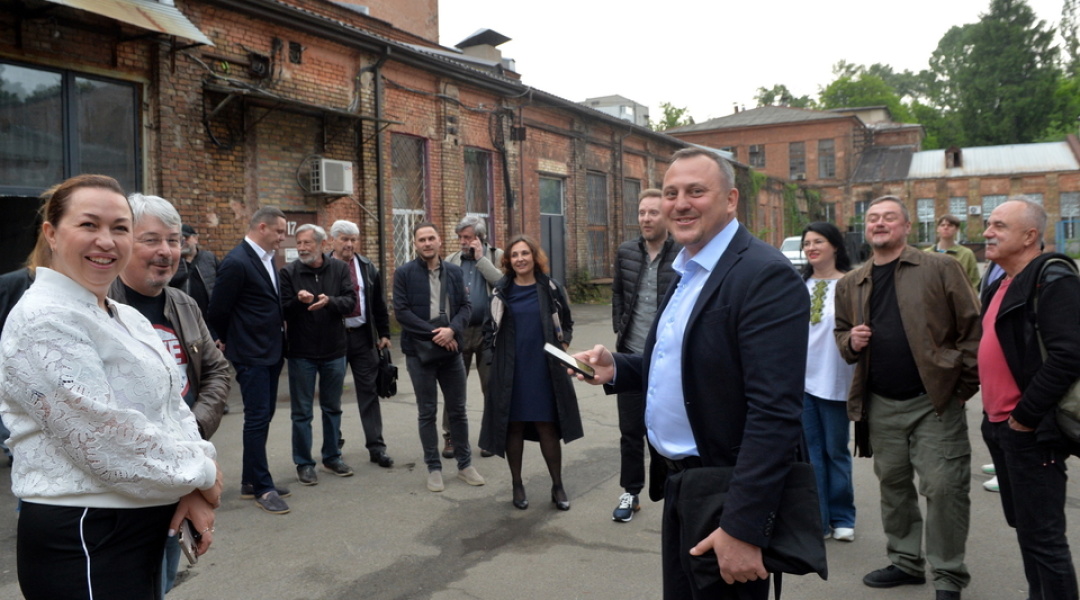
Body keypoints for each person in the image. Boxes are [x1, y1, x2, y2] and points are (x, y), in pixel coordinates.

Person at [572, 148, 809, 600]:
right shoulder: (688, 269)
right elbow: (687, 364)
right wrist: (617, 368)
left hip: (726, 495)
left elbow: (775, 413)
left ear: (731, 199)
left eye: (696, 191)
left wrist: (743, 526)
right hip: (682, 486)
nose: (680, 204)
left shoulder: (764, 275)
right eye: (671, 193)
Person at [0, 174, 221, 599]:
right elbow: (102, 438)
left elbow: (171, 407)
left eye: (120, 227)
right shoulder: (44, 319)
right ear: (51, 233)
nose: (106, 240)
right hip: (85, 535)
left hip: (141, 527)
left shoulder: (125, 316)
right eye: (89, 224)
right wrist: (203, 473)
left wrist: (193, 482)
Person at [834, 195, 981, 600]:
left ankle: (948, 575)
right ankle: (905, 562)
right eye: (873, 218)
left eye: (889, 217)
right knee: (894, 487)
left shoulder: (940, 268)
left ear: (906, 226)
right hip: (881, 403)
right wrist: (851, 341)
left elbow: (973, 329)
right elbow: (841, 334)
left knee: (944, 487)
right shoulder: (851, 282)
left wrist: (960, 388)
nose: (879, 223)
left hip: (934, 401)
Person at [106, 192, 231, 595]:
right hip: (126, 484)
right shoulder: (99, 305)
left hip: (182, 464)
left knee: (161, 579)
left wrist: (192, 430)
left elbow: (217, 371)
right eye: (151, 240)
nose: (166, 251)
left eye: (173, 240)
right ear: (124, 242)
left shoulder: (184, 304)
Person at [979, 197, 1079, 599]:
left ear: (1029, 236)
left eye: (999, 226)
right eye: (989, 224)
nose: (987, 232)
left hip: (1031, 431)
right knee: (1027, 532)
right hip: (1001, 427)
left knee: (1045, 539)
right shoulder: (1000, 282)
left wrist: (1024, 417)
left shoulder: (1053, 278)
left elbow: (1069, 355)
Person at [479, 235, 583, 511]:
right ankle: (517, 484)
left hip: (544, 368)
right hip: (511, 370)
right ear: (508, 261)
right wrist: (493, 359)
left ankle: (557, 485)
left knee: (546, 425)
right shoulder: (501, 291)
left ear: (534, 257)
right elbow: (489, 329)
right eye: (514, 255)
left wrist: (563, 346)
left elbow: (567, 322)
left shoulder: (550, 287)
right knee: (513, 426)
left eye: (525, 253)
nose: (520, 259)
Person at [207, 206, 291, 514]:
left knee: (264, 415)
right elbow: (217, 309)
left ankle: (250, 480)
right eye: (279, 231)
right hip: (250, 353)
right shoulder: (237, 261)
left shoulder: (267, 259)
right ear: (262, 228)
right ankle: (264, 489)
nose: (282, 237)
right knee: (257, 418)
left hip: (271, 351)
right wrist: (228, 338)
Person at [393, 222, 485, 492]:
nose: (427, 243)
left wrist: (452, 330)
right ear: (415, 244)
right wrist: (437, 334)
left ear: (439, 241)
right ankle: (433, 468)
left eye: (431, 238)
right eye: (421, 239)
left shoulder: (454, 272)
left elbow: (465, 307)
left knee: (458, 410)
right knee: (427, 412)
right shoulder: (404, 274)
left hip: (451, 351)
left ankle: (465, 465)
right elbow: (402, 312)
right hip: (418, 353)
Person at [609, 188, 680, 522]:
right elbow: (618, 294)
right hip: (630, 356)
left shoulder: (682, 253)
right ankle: (631, 491)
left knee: (667, 431)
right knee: (630, 431)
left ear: (665, 216)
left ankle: (674, 492)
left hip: (669, 362)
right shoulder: (626, 252)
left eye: (653, 212)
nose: (646, 219)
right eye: (642, 213)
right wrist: (620, 328)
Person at [280, 224, 356, 485]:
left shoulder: (339, 269)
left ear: (322, 245)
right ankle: (304, 463)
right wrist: (297, 301)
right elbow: (281, 308)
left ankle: (332, 457)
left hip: (334, 350)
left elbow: (350, 302)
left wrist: (330, 301)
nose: (301, 248)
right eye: (299, 243)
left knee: (332, 408)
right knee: (302, 412)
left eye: (307, 243)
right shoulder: (289, 272)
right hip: (301, 353)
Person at [798, 222, 856, 542]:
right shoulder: (799, 283)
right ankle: (818, 520)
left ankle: (843, 516)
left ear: (835, 246)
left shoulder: (851, 283)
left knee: (836, 451)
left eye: (818, 241)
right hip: (802, 382)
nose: (811, 247)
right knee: (811, 454)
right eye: (807, 243)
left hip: (836, 380)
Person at [328, 220, 394, 469]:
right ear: (333, 240)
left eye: (353, 239)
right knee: (332, 394)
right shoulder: (323, 266)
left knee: (369, 392)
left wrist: (384, 333)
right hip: (334, 338)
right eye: (344, 239)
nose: (349, 244)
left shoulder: (366, 266)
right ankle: (334, 447)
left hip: (363, 338)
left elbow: (377, 303)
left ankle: (377, 447)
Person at [445, 215, 504, 459]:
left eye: (467, 237)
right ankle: (451, 436)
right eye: (460, 237)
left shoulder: (497, 256)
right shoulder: (452, 260)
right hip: (458, 332)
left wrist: (481, 260)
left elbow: (504, 284)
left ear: (479, 238)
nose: (462, 241)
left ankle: (490, 438)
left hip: (488, 332)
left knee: (491, 386)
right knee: (454, 387)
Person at [170, 224, 219, 321]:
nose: (183, 242)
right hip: (184, 318)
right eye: (179, 239)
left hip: (210, 318)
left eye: (186, 238)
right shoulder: (171, 262)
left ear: (195, 239)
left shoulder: (209, 258)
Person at [924, 214, 980, 289]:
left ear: (956, 229)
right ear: (937, 229)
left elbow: (974, 280)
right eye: (942, 225)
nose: (945, 227)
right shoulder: (926, 254)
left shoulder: (966, 254)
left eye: (950, 225)